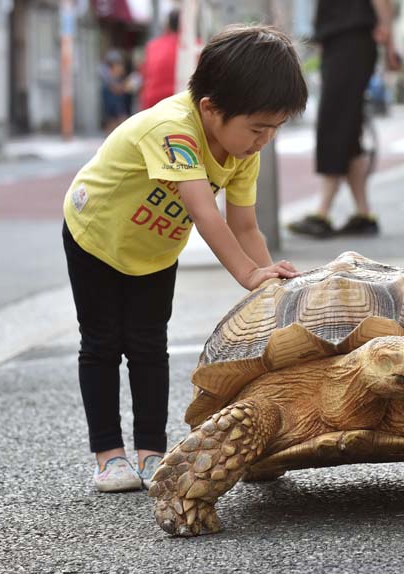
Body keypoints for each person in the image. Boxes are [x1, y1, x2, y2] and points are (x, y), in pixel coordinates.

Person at [62, 25, 306, 493]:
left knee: (150, 344)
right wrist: (248, 274)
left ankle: (152, 453)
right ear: (211, 108)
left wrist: (272, 285)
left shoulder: (242, 150)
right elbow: (204, 213)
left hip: (152, 249)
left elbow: (245, 225)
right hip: (96, 235)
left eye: (274, 129)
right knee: (101, 344)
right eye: (258, 128)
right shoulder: (172, 128)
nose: (264, 140)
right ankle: (109, 457)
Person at [288, 0, 399, 239]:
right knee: (348, 129)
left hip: (351, 40)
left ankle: (323, 212)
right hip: (341, 41)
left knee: (334, 123)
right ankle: (363, 214)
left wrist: (389, 40)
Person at [141, 9, 181, 110]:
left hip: (152, 103)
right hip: (179, 104)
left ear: (168, 25)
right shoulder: (193, 47)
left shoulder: (153, 46)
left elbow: (144, 75)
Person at [100, 50, 128, 133]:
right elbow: (116, 89)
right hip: (112, 101)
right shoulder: (108, 76)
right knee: (114, 120)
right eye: (118, 64)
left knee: (117, 119)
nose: (121, 67)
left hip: (116, 102)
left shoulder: (113, 76)